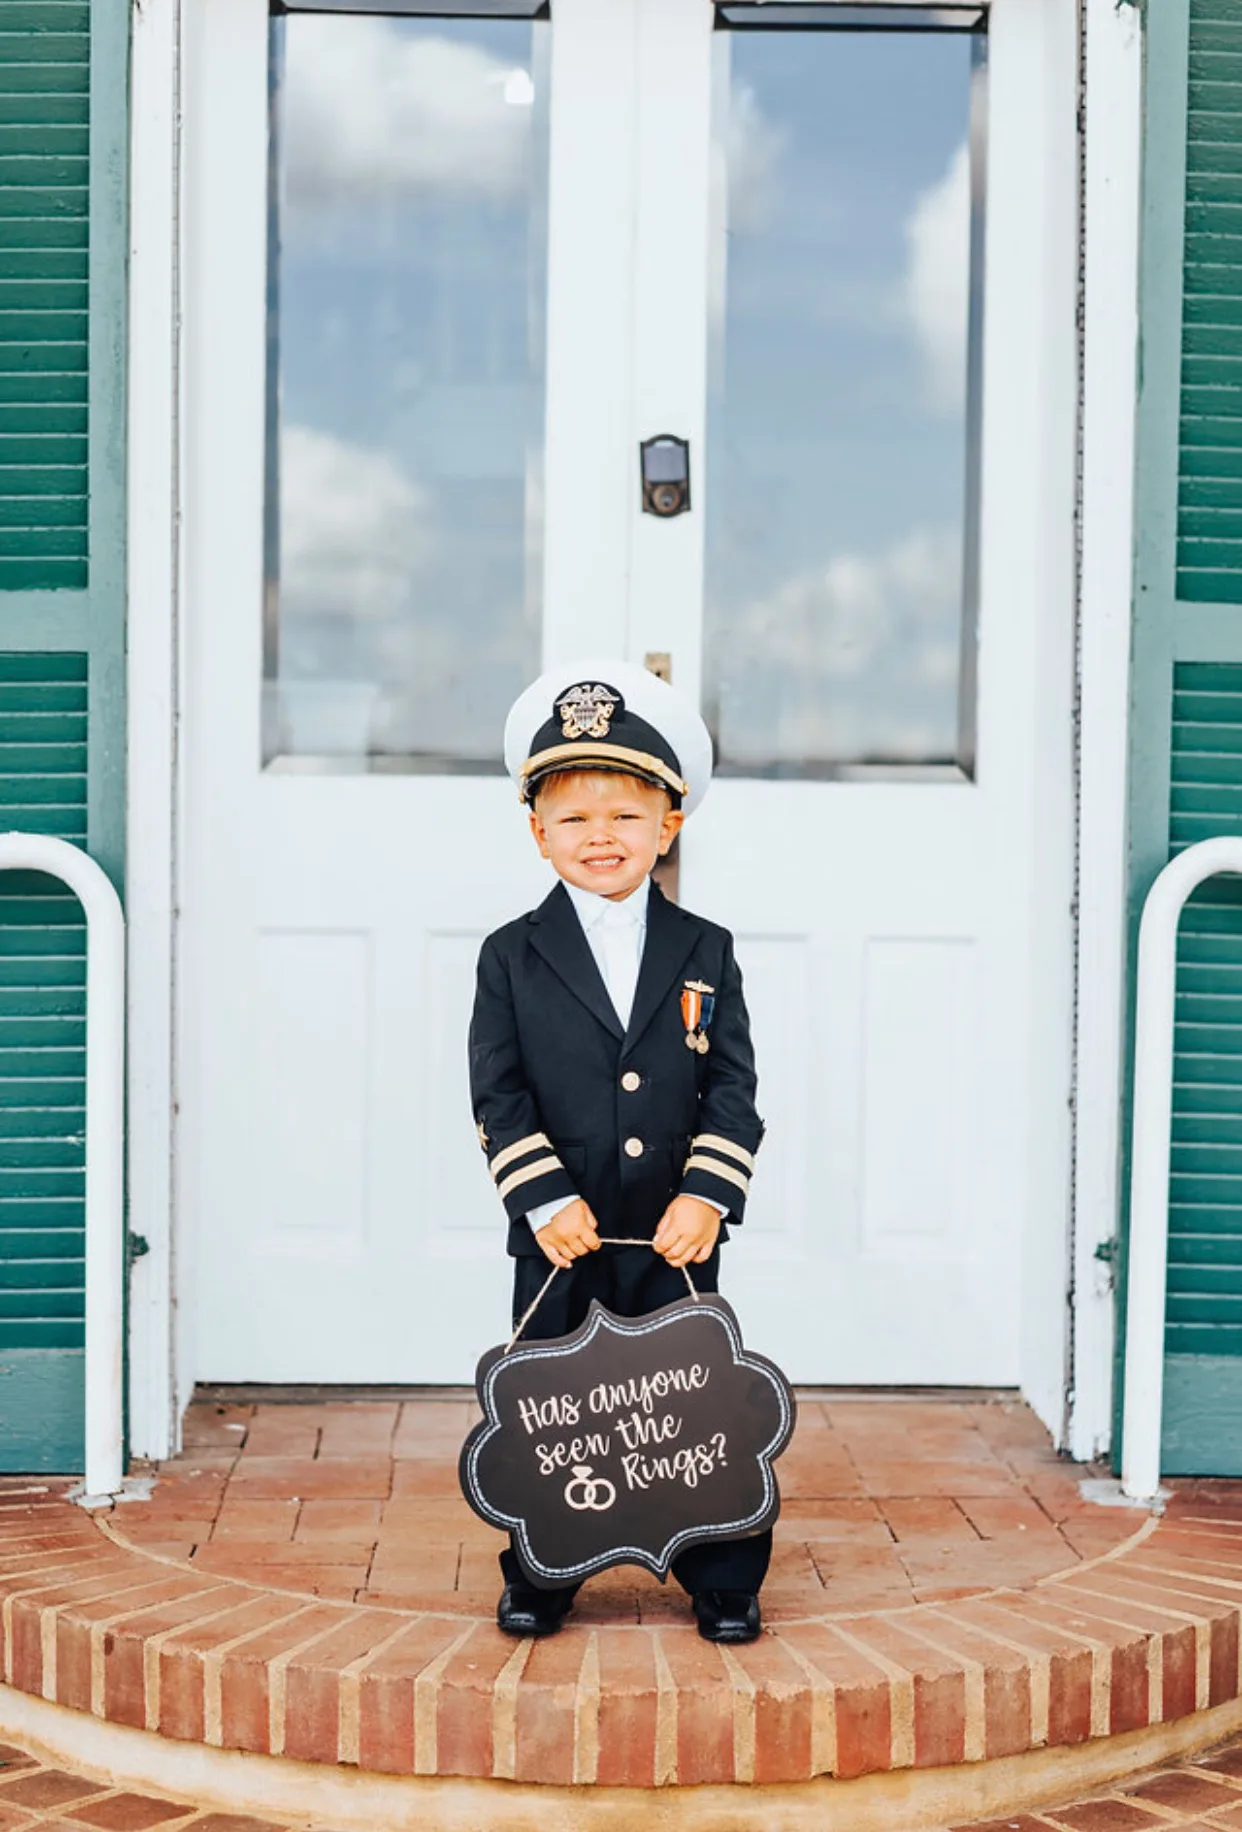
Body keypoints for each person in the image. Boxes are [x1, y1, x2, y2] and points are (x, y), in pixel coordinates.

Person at [468, 658, 769, 1643]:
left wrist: (708, 1196)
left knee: (692, 1407)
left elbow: (733, 1085)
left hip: (673, 1232)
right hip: (562, 1236)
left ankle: (721, 1572)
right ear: (536, 832)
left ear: (669, 827)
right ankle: (544, 1573)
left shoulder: (705, 947)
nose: (602, 836)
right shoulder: (510, 954)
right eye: (575, 817)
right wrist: (544, 1200)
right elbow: (497, 1089)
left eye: (627, 815)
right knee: (557, 1403)